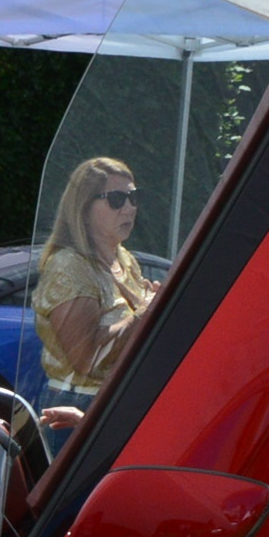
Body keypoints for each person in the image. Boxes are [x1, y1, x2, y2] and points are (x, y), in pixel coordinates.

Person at [31, 156, 156, 432]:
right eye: (116, 199)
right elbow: (86, 358)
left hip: (116, 402)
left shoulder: (125, 259)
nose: (129, 208)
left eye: (133, 197)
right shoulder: (69, 266)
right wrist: (145, 313)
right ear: (84, 207)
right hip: (76, 406)